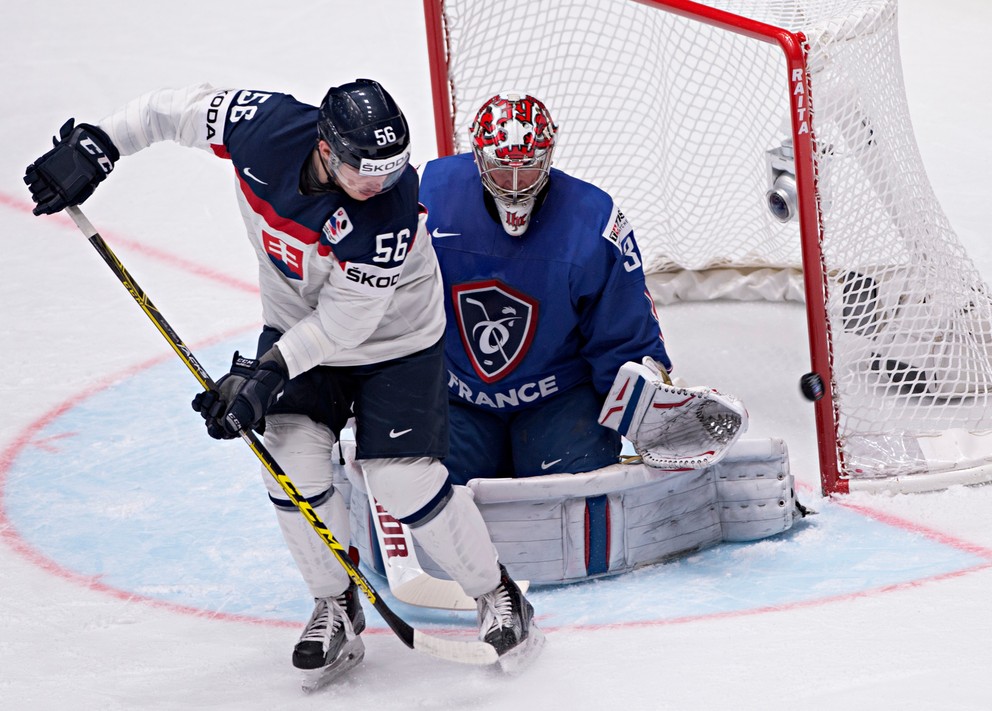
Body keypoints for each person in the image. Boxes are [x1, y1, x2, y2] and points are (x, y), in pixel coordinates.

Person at [23, 79, 543, 688]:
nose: (380, 183)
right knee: (291, 466)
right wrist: (100, 143)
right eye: (365, 170)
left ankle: (498, 595)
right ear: (326, 147)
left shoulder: (388, 214)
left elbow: (347, 326)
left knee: (403, 479)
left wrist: (263, 375)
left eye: (392, 168)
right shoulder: (262, 127)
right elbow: (172, 111)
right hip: (298, 326)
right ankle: (335, 605)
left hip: (396, 341)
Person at [418, 91, 674, 485]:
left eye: (530, 169)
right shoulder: (426, 196)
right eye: (503, 170)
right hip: (456, 396)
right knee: (429, 485)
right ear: (478, 157)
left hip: (559, 398)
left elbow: (622, 335)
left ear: (549, 156)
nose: (517, 185)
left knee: (570, 488)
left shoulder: (595, 220)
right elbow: (387, 300)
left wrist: (649, 415)